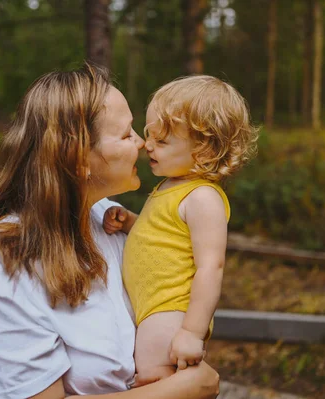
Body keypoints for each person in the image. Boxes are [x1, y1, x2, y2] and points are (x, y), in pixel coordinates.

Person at [0, 64, 220, 399]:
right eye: (125, 134)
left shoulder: (109, 221)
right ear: (78, 158)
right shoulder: (1, 266)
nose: (140, 143)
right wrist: (184, 390)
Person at [103, 75, 258, 385]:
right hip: (151, 309)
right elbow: (165, 236)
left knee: (158, 383)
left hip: (170, 313)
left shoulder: (203, 197)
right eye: (150, 136)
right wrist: (131, 222)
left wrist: (191, 332)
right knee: (149, 380)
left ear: (202, 150)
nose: (147, 145)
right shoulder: (172, 187)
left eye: (162, 141)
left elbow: (210, 267)